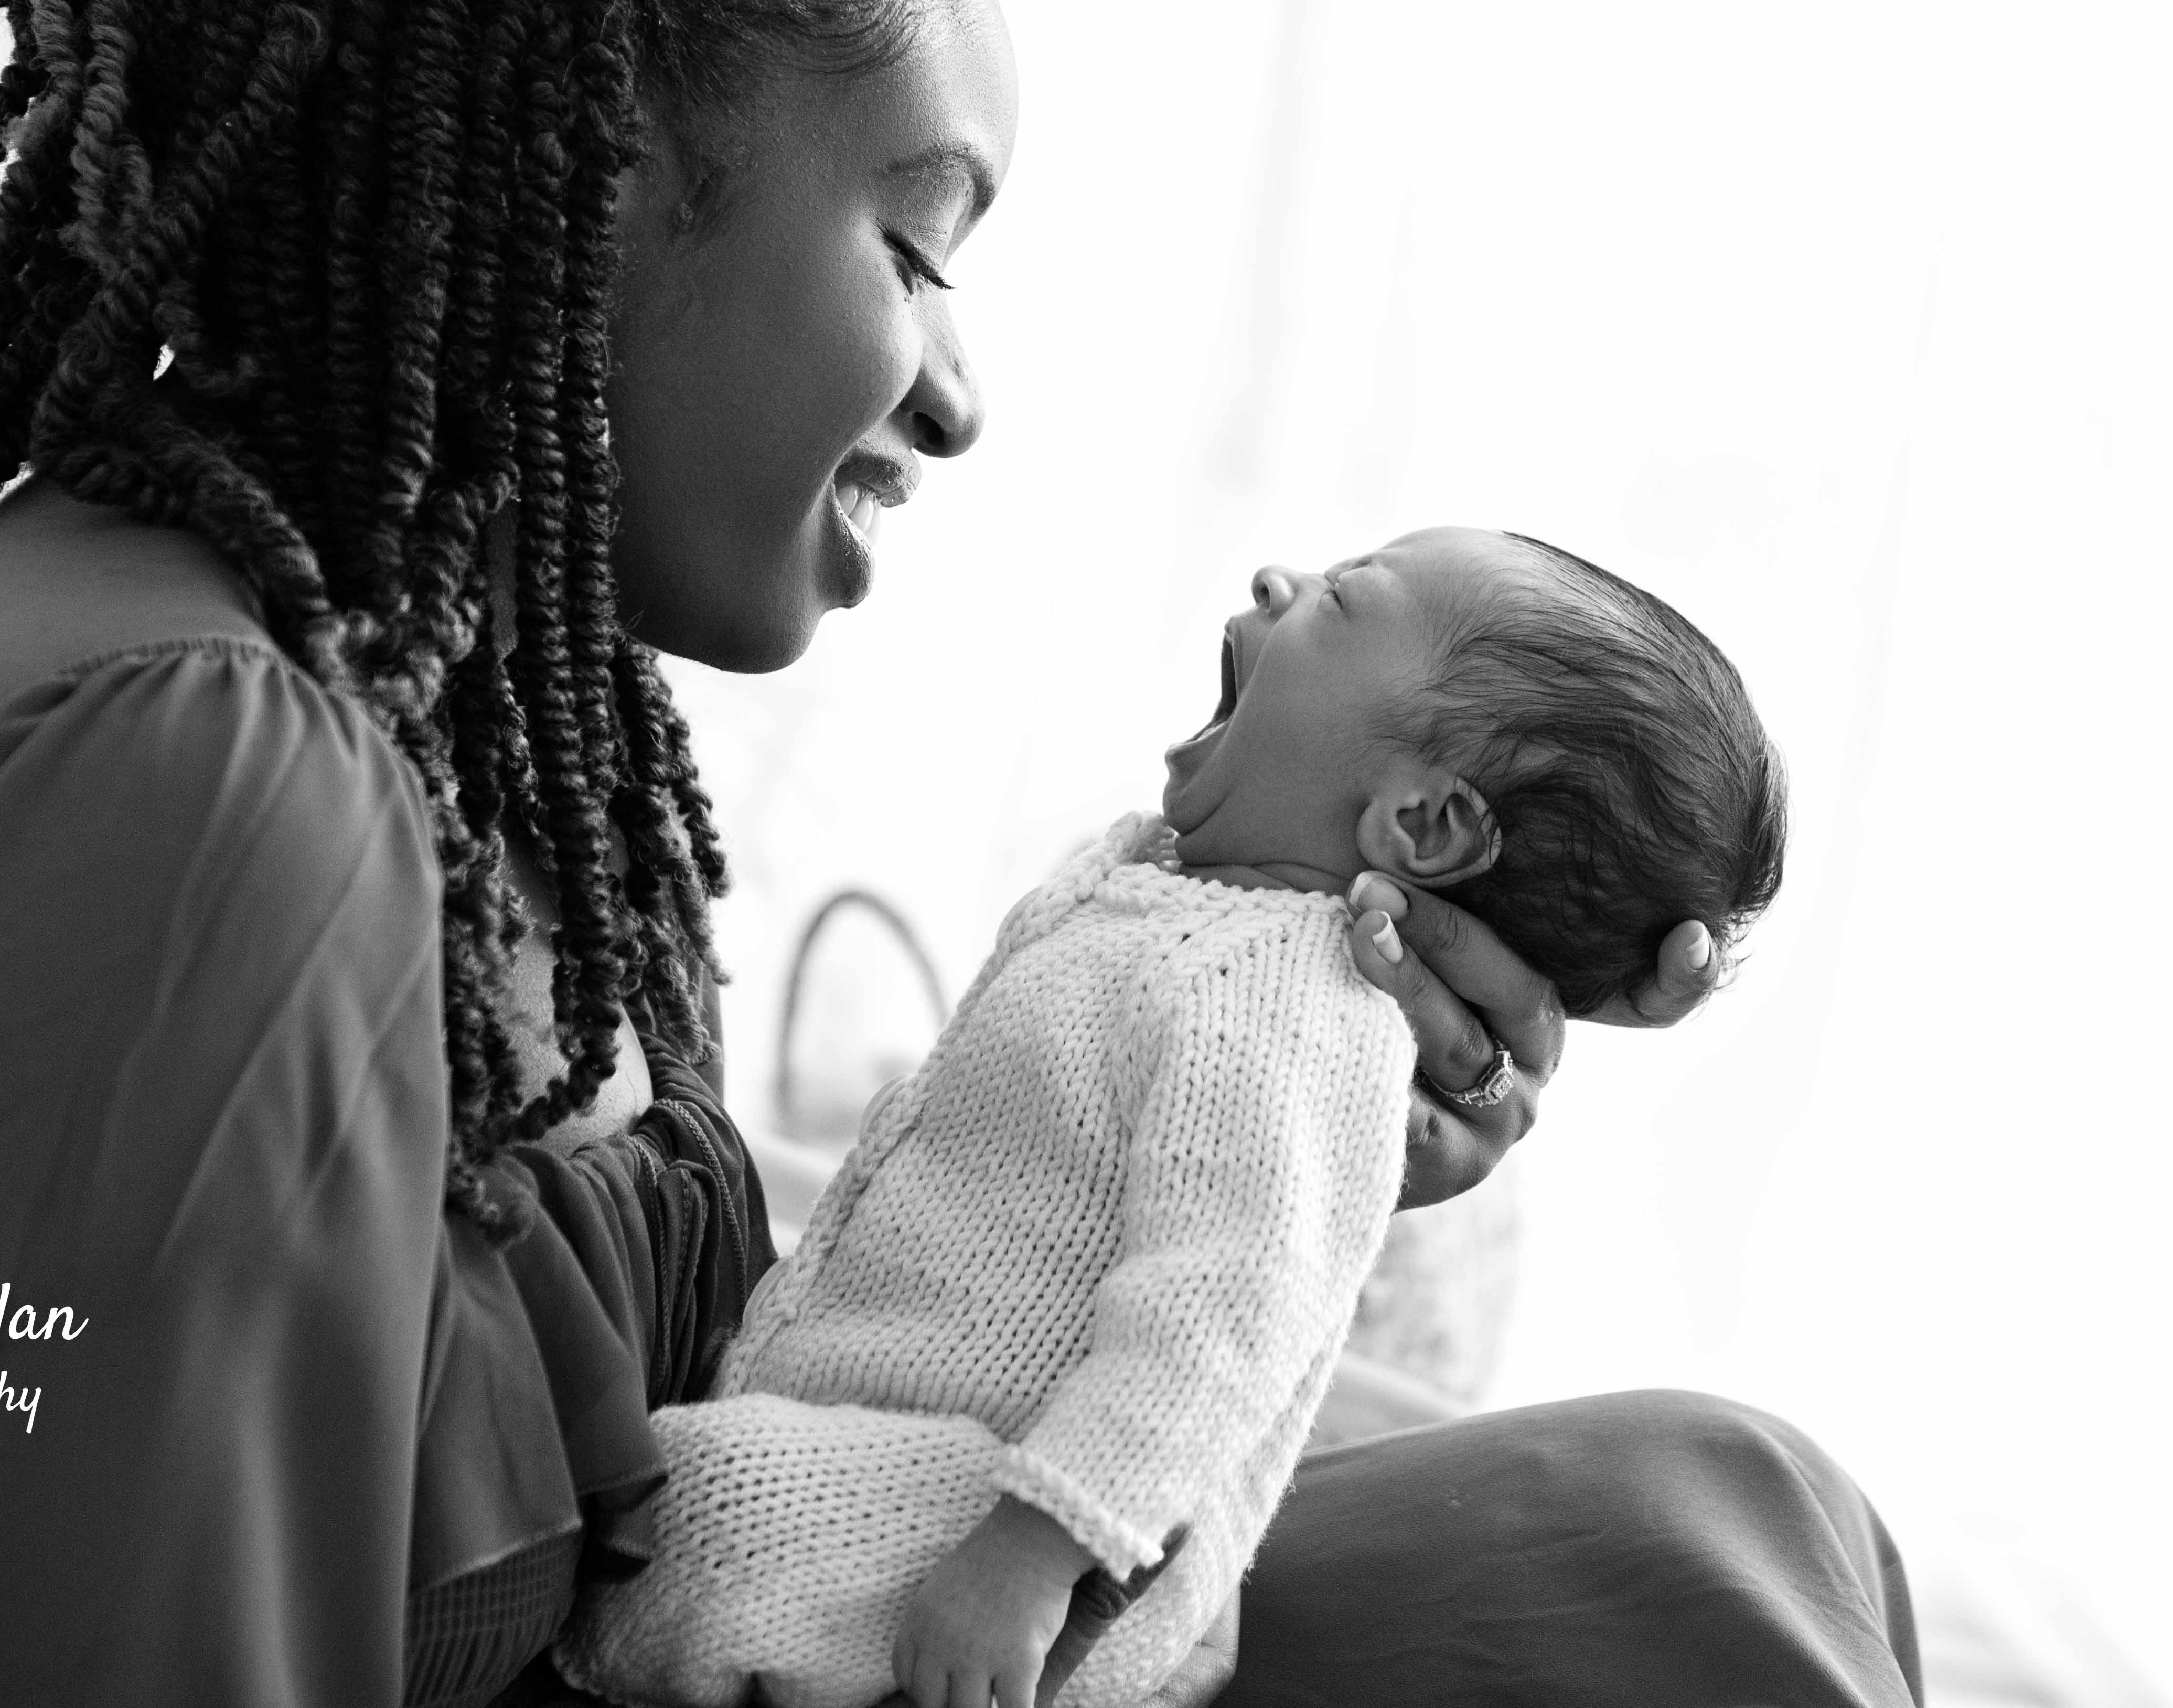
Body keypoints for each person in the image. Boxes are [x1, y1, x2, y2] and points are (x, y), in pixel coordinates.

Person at [0, 0, 1921, 1708]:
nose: (956, 386)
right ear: (585, 176)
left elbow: (456, 1381)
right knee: (1700, 1576)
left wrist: (1236, 1142)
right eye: (918, 242)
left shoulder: (319, 688)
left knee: (1704, 1532)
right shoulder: (185, 793)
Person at [561, 526, 1789, 1708]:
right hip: (927, 1432)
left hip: (1014, 1506)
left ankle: (592, 1654)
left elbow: (1221, 1313)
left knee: (703, 1517)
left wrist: (1039, 1549)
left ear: (1420, 822)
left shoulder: (1284, 997)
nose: (1278, 574)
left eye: (1344, 597)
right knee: (699, 1497)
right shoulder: (1180, 905)